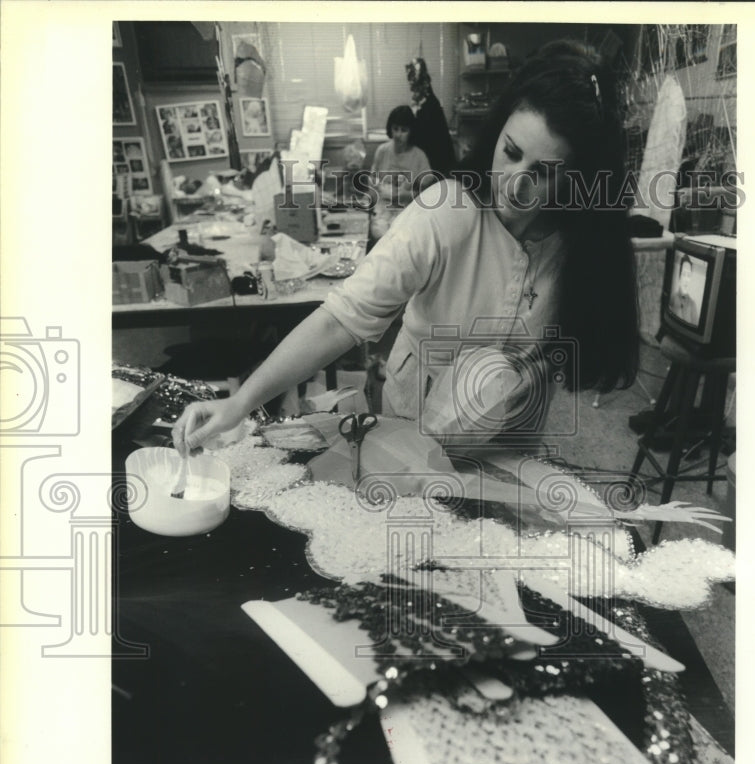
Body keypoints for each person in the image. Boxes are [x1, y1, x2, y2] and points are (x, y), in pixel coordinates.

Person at [174, 40, 638, 456]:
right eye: (511, 152)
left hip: (513, 444)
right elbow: (339, 321)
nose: (515, 184)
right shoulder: (444, 213)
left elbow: (578, 349)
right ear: (497, 132)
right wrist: (240, 402)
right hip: (413, 425)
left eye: (544, 171)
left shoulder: (582, 246)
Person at [370, 104, 431, 209]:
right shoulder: (382, 151)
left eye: (404, 130)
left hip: (409, 211)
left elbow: (429, 193)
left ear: (411, 132)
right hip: (383, 209)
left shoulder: (419, 156)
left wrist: (409, 195)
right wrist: (377, 187)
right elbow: (372, 181)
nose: (398, 134)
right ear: (390, 129)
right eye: (395, 129)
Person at [669, 254, 700, 325]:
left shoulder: (693, 305)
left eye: (688, 275)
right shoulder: (672, 297)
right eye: (684, 274)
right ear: (680, 276)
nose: (686, 279)